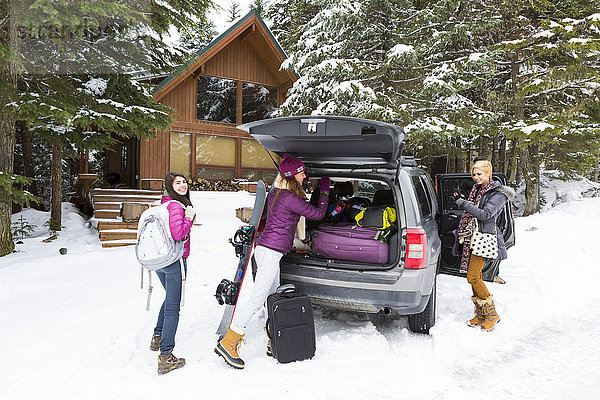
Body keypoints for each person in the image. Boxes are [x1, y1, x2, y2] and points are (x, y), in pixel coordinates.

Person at [215, 154, 330, 369]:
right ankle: (229, 341)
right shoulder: (289, 197)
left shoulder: (277, 192)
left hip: (269, 251)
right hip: (270, 253)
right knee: (257, 299)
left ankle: (272, 338)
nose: (305, 175)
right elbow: (318, 213)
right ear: (292, 174)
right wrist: (324, 190)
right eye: (302, 172)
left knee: (273, 296)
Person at [452, 159, 514, 332]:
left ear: (488, 173)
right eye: (474, 174)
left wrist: (464, 204)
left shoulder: (498, 194)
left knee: (473, 277)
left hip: (484, 238)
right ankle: (480, 314)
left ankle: (492, 314)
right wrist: (465, 201)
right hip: (472, 236)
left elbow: (486, 215)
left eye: (479, 174)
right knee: (474, 276)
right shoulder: (477, 190)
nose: (476, 177)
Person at [149, 172, 196, 374]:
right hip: (174, 260)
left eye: (184, 182)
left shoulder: (165, 203)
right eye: (177, 183)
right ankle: (166, 356)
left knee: (169, 298)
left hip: (160, 259)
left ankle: (157, 336)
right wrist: (189, 217)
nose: (182, 185)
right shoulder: (176, 206)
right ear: (169, 186)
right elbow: (179, 233)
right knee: (173, 308)